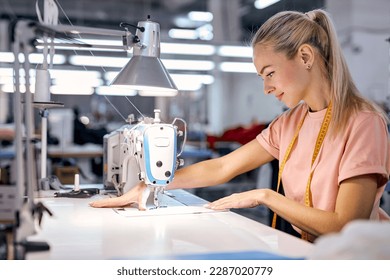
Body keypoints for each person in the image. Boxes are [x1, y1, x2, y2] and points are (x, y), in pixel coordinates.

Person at [90, 9, 390, 242]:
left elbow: (345, 226)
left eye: (269, 73)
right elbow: (221, 167)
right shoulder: (290, 123)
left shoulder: (364, 123)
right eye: (262, 77)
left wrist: (265, 196)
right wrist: (153, 183)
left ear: (305, 57)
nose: (266, 88)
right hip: (310, 251)